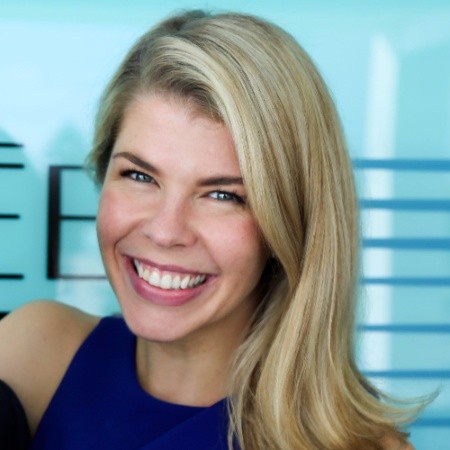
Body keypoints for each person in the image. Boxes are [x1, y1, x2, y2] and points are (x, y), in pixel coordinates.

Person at [0, 9, 423, 450]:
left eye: (223, 195)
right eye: (140, 176)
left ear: (289, 224)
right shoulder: (35, 350)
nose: (165, 231)